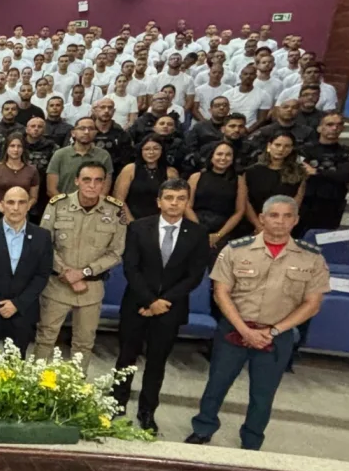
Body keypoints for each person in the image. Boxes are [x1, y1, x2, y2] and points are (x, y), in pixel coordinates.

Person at [187, 196, 330, 450]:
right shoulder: (235, 250)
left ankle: (252, 440)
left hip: (277, 335)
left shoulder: (312, 259)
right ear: (262, 219)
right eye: (274, 216)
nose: (280, 222)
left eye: (287, 216)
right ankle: (203, 428)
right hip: (234, 329)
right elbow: (221, 293)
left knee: (263, 394)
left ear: (296, 221)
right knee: (217, 384)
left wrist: (272, 331)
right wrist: (244, 330)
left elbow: (312, 304)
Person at [112, 179, 211, 433]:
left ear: (187, 202)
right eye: (169, 198)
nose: (174, 203)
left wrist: (162, 303)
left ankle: (147, 412)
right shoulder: (138, 228)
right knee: (126, 358)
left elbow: (194, 275)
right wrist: (149, 301)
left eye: (180, 198)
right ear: (159, 201)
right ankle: (115, 406)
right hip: (136, 305)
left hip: (170, 309)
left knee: (157, 363)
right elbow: (130, 268)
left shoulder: (198, 233)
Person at [33, 162, 126, 369]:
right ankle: (35, 387)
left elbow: (115, 253)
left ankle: (75, 392)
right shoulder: (58, 205)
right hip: (58, 284)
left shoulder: (114, 210)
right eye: (86, 179)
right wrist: (67, 272)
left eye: (98, 180)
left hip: (91, 289)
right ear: (77, 181)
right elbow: (44, 244)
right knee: (45, 338)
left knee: (84, 344)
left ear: (104, 183)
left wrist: (84, 272)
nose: (92, 185)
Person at [0, 186, 53, 360]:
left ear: (28, 205)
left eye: (21, 202)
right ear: (2, 205)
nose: (16, 207)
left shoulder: (42, 237)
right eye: (10, 202)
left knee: (14, 370)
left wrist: (17, 304)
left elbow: (42, 275)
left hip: (22, 312)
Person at [298, 112, 349, 232]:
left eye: (339, 125)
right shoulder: (303, 150)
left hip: (331, 204)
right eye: (330, 124)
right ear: (319, 128)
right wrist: (330, 173)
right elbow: (299, 170)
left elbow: (344, 175)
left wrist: (316, 172)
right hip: (303, 201)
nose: (334, 128)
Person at [187, 142, 249, 247]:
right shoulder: (196, 177)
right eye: (219, 154)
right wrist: (201, 232)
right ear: (211, 156)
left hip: (224, 230)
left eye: (228, 155)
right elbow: (187, 206)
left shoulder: (239, 180)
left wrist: (218, 235)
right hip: (195, 226)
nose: (223, 158)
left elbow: (240, 211)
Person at [244, 132, 306, 234]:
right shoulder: (251, 171)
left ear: (291, 149)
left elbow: (295, 204)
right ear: (269, 146)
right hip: (253, 226)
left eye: (287, 146)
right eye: (277, 145)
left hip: (285, 227)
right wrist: (258, 226)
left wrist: (281, 227)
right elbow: (246, 202)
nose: (281, 149)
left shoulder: (298, 173)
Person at [113, 137, 178, 222]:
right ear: (141, 151)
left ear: (162, 151)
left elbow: (174, 200)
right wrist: (131, 222)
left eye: (156, 148)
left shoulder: (171, 172)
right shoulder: (130, 169)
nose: (151, 152)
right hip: (131, 220)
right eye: (147, 149)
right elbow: (118, 199)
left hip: (160, 221)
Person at [45, 118, 113, 198]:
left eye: (91, 129)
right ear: (73, 133)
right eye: (82, 128)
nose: (86, 132)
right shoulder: (60, 154)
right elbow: (51, 189)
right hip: (64, 206)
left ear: (95, 133)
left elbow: (105, 187)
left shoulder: (104, 155)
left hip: (95, 206)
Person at [0, 133, 40, 224]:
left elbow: (34, 197)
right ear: (6, 148)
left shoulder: (32, 170)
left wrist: (27, 205)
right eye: (12, 146)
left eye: (19, 146)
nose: (15, 150)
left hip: (20, 210)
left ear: (23, 149)